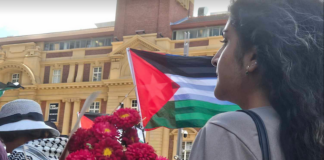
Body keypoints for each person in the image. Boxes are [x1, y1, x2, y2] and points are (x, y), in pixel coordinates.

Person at [189, 0, 323, 160]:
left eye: (225, 41)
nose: (215, 59)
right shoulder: (313, 134)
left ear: (253, 57)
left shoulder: (228, 131)